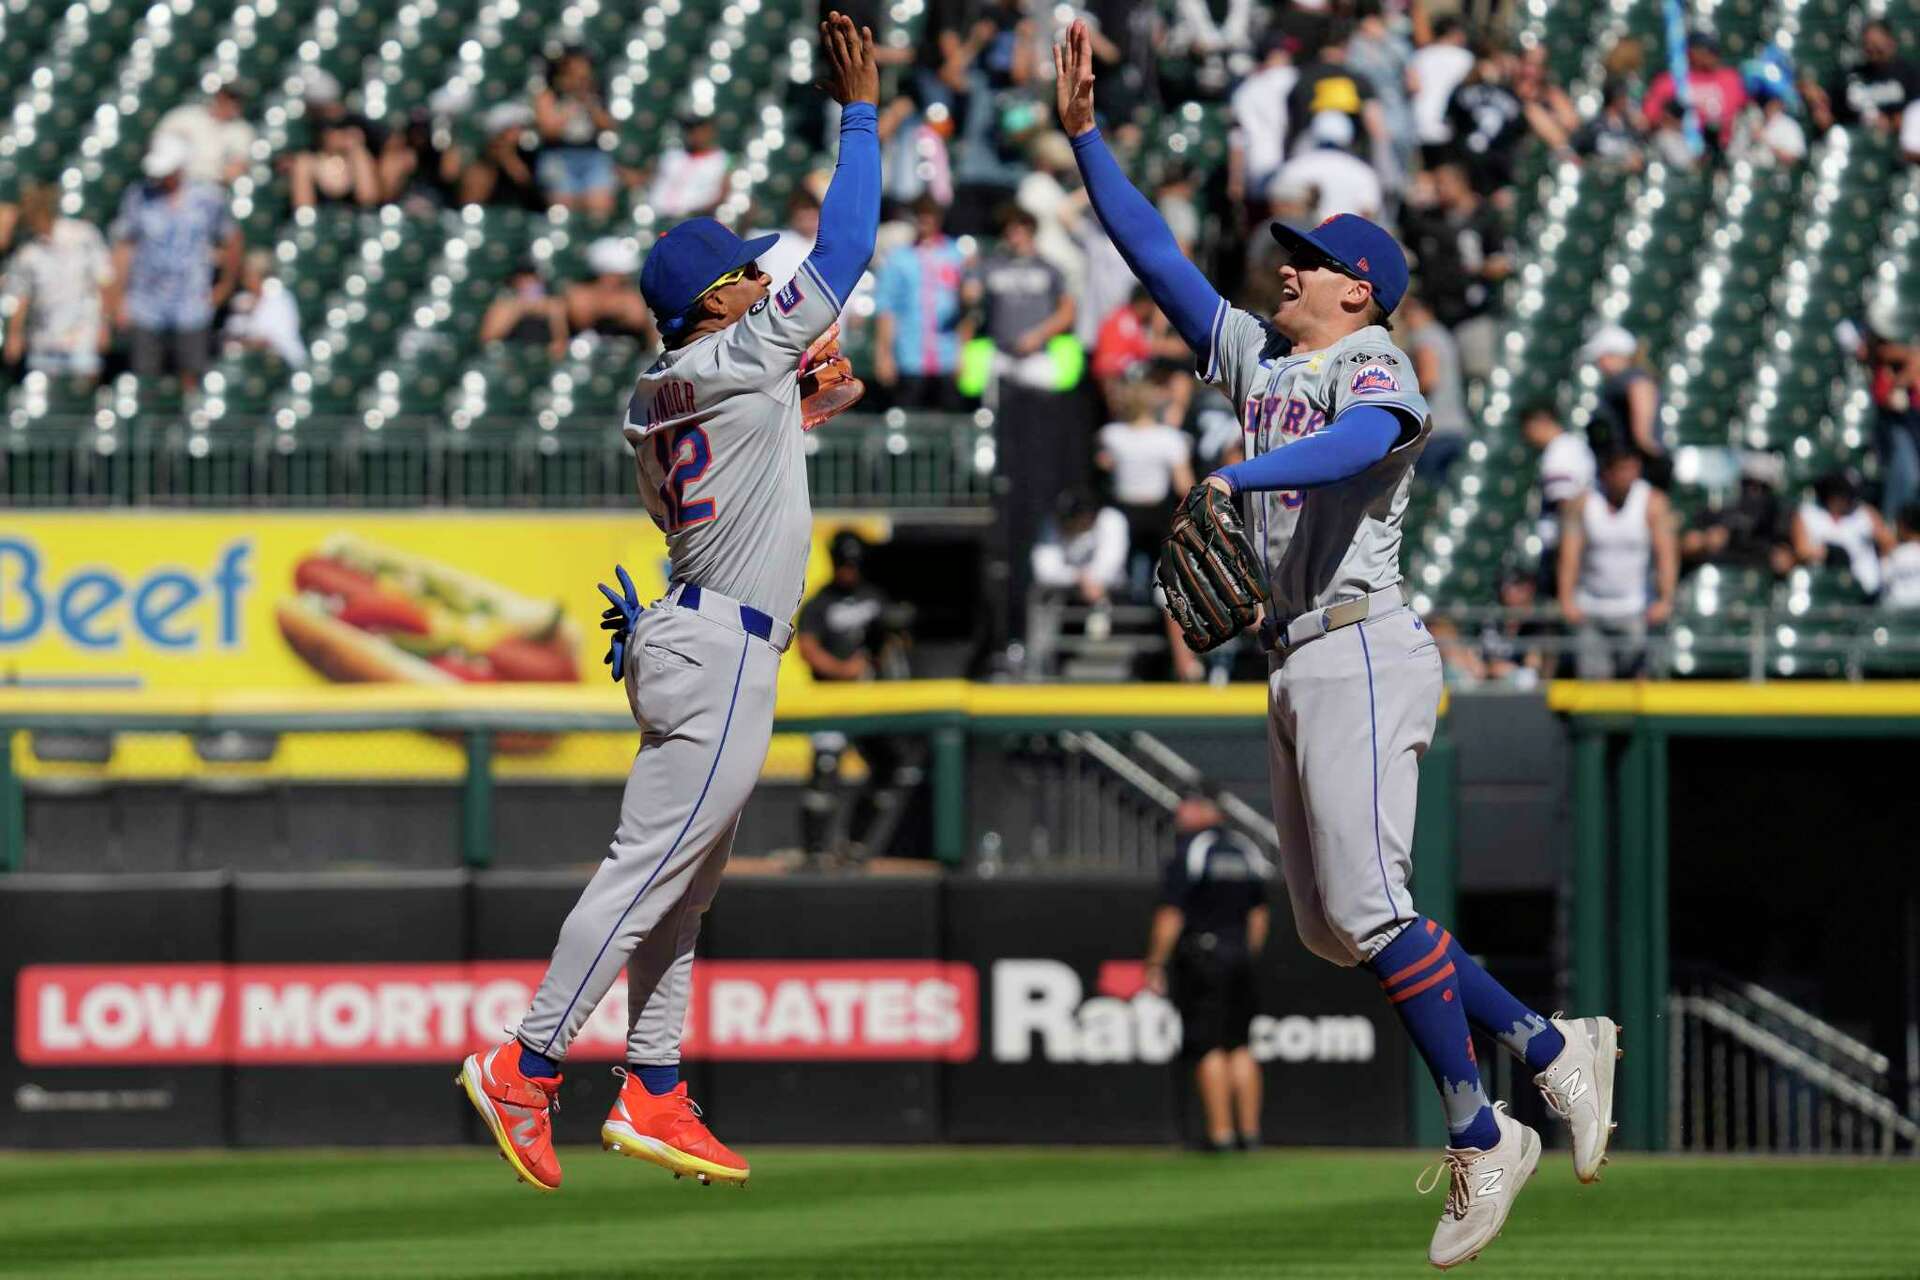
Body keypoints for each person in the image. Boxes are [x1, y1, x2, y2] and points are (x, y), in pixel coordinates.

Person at [1054, 23, 1617, 1269]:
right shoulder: (1262, 361)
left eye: (1308, 263)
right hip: (1294, 657)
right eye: (1289, 259)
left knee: (1369, 909)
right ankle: (1547, 1045)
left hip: (1365, 643)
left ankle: (1484, 1128)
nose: (1287, 271)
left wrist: (1247, 463)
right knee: (1333, 928)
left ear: (1358, 285)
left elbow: (1362, 447)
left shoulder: (1377, 359)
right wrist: (1087, 140)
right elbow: (1154, 257)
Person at [457, 12, 880, 1195]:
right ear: (716, 297)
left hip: (691, 625)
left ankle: (652, 1084)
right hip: (723, 644)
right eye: (750, 270)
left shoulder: (666, 386)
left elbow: (718, 482)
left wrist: (797, 416)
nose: (768, 277)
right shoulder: (737, 353)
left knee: (681, 881)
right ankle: (527, 1062)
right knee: (646, 871)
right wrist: (860, 112)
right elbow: (844, 247)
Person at [1143, 792, 1270, 1153]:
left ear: (1204, 809)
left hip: (1205, 958)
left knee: (1208, 1046)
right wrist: (1246, 953)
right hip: (1240, 959)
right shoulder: (1245, 850)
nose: (1178, 812)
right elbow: (1259, 914)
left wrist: (1154, 963)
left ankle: (1221, 1135)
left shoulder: (1191, 852)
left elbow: (1171, 914)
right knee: (1241, 1046)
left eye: (1185, 804)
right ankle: (1250, 1133)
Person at [795, 530, 922, 861]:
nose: (849, 570)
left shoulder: (874, 597)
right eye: (844, 563)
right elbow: (807, 648)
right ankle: (815, 851)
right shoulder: (819, 603)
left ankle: (853, 844)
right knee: (825, 769)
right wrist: (842, 669)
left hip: (870, 701)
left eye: (854, 563)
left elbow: (896, 638)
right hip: (833, 701)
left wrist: (891, 640)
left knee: (888, 766)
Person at [111, 135, 242, 394]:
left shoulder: (208, 198)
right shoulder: (138, 196)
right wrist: (119, 299)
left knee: (191, 377)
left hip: (192, 304)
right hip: (145, 305)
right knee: (145, 380)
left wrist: (225, 286)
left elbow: (232, 239)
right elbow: (125, 247)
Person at [1557, 448, 1678, 678]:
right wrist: (1566, 599)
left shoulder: (1653, 503)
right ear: (1606, 473)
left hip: (1636, 610)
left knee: (1637, 683)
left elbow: (1666, 556)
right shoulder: (1582, 504)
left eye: (1632, 468)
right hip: (1591, 608)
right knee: (1594, 687)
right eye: (1621, 469)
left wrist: (1665, 599)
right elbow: (1569, 558)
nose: (1628, 476)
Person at [1401, 160, 1509, 382]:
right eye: (1436, 184)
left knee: (1478, 373)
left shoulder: (1485, 216)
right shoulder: (1429, 219)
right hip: (1437, 312)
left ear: (1461, 184)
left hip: (1473, 311)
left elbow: (1503, 262)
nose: (1439, 189)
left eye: (1444, 183)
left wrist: (1479, 268)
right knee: (1436, 378)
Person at [1, 184, 114, 385]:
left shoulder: (83, 235)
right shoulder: (28, 253)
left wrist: (105, 325)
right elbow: (21, 296)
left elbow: (103, 279)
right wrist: (15, 335)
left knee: (83, 392)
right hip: (45, 339)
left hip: (83, 335)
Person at [871, 194, 970, 411]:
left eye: (931, 215)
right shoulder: (898, 258)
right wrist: (884, 354)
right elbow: (887, 308)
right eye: (921, 215)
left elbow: (965, 311)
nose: (926, 221)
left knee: (949, 414)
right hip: (910, 355)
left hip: (947, 355)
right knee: (908, 412)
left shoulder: (955, 256)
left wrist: (964, 353)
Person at [1580, 323, 1669, 487]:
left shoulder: (1630, 378)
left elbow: (1641, 394)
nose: (1599, 364)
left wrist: (1646, 447)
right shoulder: (1623, 380)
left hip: (1630, 471)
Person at [1678, 452, 1793, 577]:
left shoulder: (1778, 519)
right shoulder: (1722, 512)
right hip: (1718, 579)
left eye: (1762, 487)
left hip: (1759, 584)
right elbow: (1684, 545)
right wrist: (1705, 540)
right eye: (1749, 484)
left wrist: (1779, 557)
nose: (1754, 492)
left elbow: (1790, 559)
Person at [533, 48, 618, 217]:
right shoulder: (549, 95)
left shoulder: (596, 94)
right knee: (563, 210)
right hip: (559, 154)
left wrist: (590, 105)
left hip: (592, 154)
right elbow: (548, 131)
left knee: (599, 208)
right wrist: (569, 107)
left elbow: (609, 126)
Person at [1522, 401, 1596, 593]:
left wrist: (1564, 559)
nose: (1526, 435)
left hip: (1565, 546)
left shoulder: (1558, 454)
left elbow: (1566, 509)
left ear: (1541, 422)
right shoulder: (1573, 445)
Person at [1804, 19, 1919, 140]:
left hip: (1895, 145)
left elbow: (1915, 115)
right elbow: (1828, 104)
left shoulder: (1909, 75)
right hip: (1855, 142)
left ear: (1891, 42)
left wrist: (1890, 123)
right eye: (1867, 44)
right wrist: (1818, 102)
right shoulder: (1852, 75)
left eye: (1876, 44)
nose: (1871, 49)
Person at [1791, 469, 1895, 598]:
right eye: (1838, 493)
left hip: (1864, 590)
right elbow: (1802, 550)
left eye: (1847, 493)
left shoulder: (1864, 513)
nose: (1843, 498)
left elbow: (1888, 542)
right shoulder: (1809, 514)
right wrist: (1829, 553)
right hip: (1822, 585)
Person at [286, 71, 382, 209]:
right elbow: (303, 211)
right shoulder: (306, 162)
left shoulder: (357, 155)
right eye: (327, 127)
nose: (335, 133)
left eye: (340, 126)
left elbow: (369, 198)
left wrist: (356, 150)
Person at [1271, 111, 1385, 224]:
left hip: (1305, 237)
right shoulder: (1362, 172)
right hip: (1346, 237)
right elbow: (1368, 214)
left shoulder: (1295, 167)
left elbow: (1280, 208)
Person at [1400, 292, 1468, 481]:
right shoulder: (1443, 334)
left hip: (1435, 431)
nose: (1406, 320)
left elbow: (1429, 379)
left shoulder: (1423, 337)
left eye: (1408, 313)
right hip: (1456, 428)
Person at [1229, 33, 1300, 214]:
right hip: (1296, 168)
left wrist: (1236, 180)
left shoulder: (1246, 89)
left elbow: (1237, 139)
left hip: (1258, 169)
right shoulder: (1297, 79)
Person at [1641, 33, 1747, 151]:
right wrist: (1670, 121)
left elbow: (1744, 110)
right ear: (1691, 52)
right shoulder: (1669, 81)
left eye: (1714, 50)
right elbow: (1649, 118)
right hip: (1684, 142)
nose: (1712, 55)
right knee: (1666, 137)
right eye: (1707, 50)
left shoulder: (1730, 78)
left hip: (1727, 142)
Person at [1444, 48, 1528, 196]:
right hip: (1461, 161)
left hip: (1492, 167)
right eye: (1499, 64)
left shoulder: (1515, 100)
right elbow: (1450, 118)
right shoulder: (1465, 89)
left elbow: (1517, 135)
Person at [152, 81, 256, 186]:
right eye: (229, 98)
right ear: (219, 96)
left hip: (209, 185)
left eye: (237, 100)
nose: (232, 104)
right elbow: (156, 146)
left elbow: (236, 169)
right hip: (169, 180)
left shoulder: (242, 131)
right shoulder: (186, 115)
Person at [220, 249, 306, 368]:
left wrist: (242, 343)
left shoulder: (279, 298)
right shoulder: (242, 300)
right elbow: (230, 332)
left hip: (285, 361)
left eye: (249, 275)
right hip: (253, 363)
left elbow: (268, 339)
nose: (245, 279)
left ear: (261, 276)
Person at [1407, 16, 1475, 165]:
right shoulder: (1466, 60)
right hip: (1448, 127)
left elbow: (1412, 87)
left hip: (1418, 123)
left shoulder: (1419, 56)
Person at [565, 237, 655, 345]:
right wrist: (614, 308)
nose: (625, 278)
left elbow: (637, 317)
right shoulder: (579, 292)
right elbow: (580, 317)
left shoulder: (631, 294)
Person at [645, 115, 731, 221]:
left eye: (700, 129)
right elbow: (650, 181)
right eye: (690, 129)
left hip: (693, 218)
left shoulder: (721, 160)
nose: (694, 134)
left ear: (710, 131)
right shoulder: (672, 155)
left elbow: (722, 194)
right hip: (656, 216)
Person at [460, 103, 544, 210]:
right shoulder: (482, 156)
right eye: (514, 128)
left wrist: (507, 157)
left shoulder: (529, 152)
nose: (519, 133)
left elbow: (527, 184)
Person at [478, 262, 569, 360]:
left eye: (533, 280)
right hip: (510, 360)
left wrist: (555, 314)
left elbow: (561, 345)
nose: (529, 286)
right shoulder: (503, 306)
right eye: (524, 281)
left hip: (542, 361)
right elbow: (487, 339)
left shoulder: (553, 306)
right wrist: (519, 308)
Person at [1884, 504, 1920, 610]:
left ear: (1902, 526)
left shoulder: (1896, 554)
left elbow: (1884, 580)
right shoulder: (1896, 553)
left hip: (1898, 614)